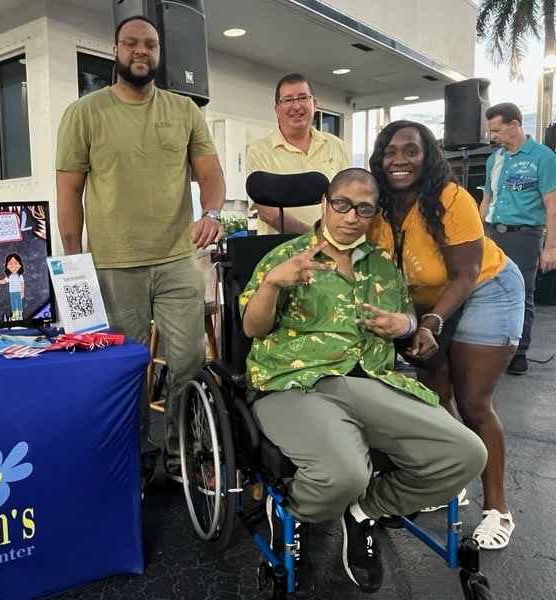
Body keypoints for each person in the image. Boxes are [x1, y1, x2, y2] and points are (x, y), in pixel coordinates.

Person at [242, 168, 487, 594]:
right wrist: (272, 285)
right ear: (325, 204)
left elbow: (406, 318)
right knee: (345, 475)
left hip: (372, 379)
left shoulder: (382, 264)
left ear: (374, 214)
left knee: (466, 454)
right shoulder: (286, 257)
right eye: (342, 204)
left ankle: (365, 511)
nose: (351, 216)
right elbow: (252, 328)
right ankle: (294, 513)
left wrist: (404, 324)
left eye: (364, 209)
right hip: (295, 383)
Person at [55, 15, 225, 495]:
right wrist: (74, 261)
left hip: (176, 259)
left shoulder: (184, 110)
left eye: (149, 44)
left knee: (188, 360)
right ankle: (137, 457)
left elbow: (210, 175)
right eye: (130, 43)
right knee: (127, 371)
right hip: (112, 264)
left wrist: (212, 212)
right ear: (115, 50)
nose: (140, 51)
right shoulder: (84, 113)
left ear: (158, 52)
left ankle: (181, 452)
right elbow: (69, 191)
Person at [368, 120, 524, 551]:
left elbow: (465, 274)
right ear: (380, 159)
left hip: (485, 288)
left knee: (473, 403)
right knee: (433, 397)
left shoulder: (451, 198)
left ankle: (498, 510)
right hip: (424, 300)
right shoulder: (378, 207)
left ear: (428, 157)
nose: (399, 159)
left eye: (411, 150)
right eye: (390, 151)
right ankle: (453, 480)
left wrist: (431, 323)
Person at [481, 102, 556, 375]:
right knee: (485, 291)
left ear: (515, 125)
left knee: (521, 293)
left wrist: (551, 247)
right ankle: (491, 348)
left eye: (497, 130)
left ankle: (519, 353)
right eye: (490, 131)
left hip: (524, 235)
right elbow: (486, 199)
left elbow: (552, 205)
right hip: (492, 232)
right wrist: (477, 234)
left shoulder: (543, 157)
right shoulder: (495, 159)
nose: (493, 136)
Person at [246, 73, 349, 235]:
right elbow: (268, 212)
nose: (296, 106)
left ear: (314, 104)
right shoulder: (259, 150)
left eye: (302, 98)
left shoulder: (335, 145)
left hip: (330, 246)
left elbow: (347, 199)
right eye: (288, 100)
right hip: (279, 248)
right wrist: (313, 237)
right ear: (277, 109)